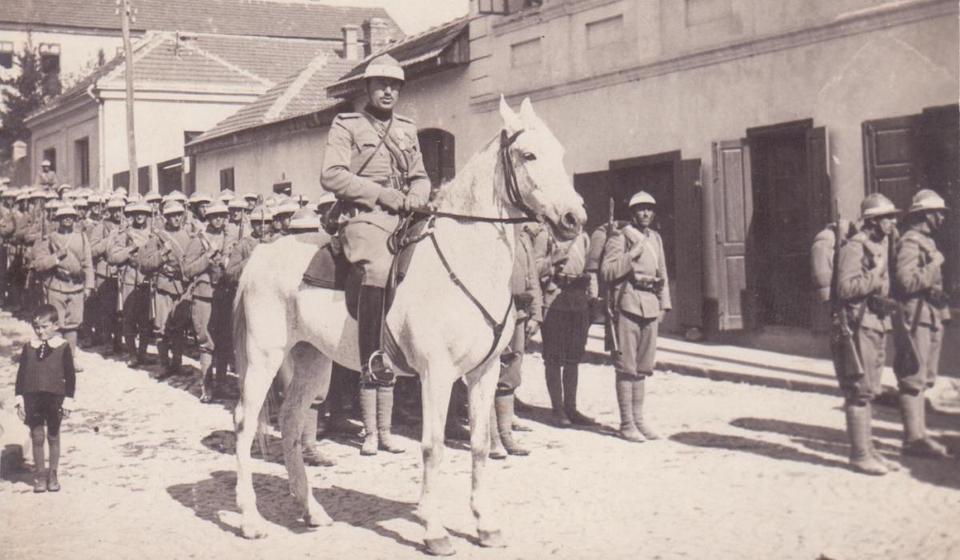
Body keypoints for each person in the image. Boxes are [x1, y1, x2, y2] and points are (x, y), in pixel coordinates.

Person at [320, 53, 430, 455]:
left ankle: (392, 417)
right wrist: (384, 195)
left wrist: (417, 195)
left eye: (395, 85)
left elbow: (420, 176)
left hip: (405, 216)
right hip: (365, 218)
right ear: (367, 88)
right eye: (381, 84)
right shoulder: (347, 124)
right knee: (379, 269)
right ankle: (371, 367)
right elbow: (332, 175)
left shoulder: (407, 129)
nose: (388, 91)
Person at [835, 193, 901, 475]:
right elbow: (845, 289)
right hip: (858, 326)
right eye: (888, 218)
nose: (893, 222)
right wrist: (875, 275)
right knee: (858, 391)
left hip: (875, 323)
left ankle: (869, 451)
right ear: (873, 221)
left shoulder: (879, 244)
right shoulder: (855, 247)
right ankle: (859, 455)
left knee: (870, 391)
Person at [601, 191, 670, 442]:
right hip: (627, 303)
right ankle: (626, 423)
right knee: (626, 367)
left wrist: (664, 305)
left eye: (649, 209)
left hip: (650, 303)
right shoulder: (620, 237)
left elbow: (662, 272)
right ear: (632, 213)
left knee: (643, 367)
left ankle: (639, 420)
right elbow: (607, 271)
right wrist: (631, 255)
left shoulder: (656, 238)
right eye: (640, 209)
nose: (646, 213)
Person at [893, 189, 952, 459]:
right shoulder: (910, 242)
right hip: (916, 315)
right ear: (926, 215)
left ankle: (919, 436)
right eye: (938, 212)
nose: (942, 217)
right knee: (912, 377)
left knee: (924, 377)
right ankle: (912, 439)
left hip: (930, 314)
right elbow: (906, 282)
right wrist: (933, 265)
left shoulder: (926, 241)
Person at [490, 224, 542, 458]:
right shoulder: (491, 231)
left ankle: (506, 435)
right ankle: (491, 438)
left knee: (510, 373)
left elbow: (532, 279)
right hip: (492, 313)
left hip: (518, 313)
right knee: (487, 374)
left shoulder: (522, 237)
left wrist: (536, 313)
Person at [15, 304, 77, 492]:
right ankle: (40, 475)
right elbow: (21, 374)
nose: (40, 331)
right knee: (37, 436)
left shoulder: (63, 347)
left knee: (53, 435)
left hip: (54, 397)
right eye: (36, 327)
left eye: (44, 326)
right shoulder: (29, 347)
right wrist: (19, 398)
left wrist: (68, 400)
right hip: (32, 397)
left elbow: (70, 376)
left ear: (55, 326)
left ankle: (53, 474)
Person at [540, 222, 596, 427]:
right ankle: (557, 409)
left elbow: (590, 269)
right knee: (553, 357)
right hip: (554, 298)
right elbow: (536, 267)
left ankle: (571, 408)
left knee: (574, 357)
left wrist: (593, 298)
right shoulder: (547, 234)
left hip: (578, 301)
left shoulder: (583, 237)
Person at [32, 205, 94, 364]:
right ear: (58, 219)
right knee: (56, 325)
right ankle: (56, 360)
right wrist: (56, 257)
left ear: (75, 219)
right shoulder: (50, 238)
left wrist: (88, 286)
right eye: (64, 216)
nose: (67, 218)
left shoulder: (81, 237)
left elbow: (88, 263)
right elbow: (39, 264)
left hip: (76, 287)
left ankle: (70, 360)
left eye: (70, 216)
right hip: (56, 287)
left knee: (73, 325)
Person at [140, 201, 192, 377]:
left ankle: (177, 363)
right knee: (161, 328)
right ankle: (164, 364)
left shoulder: (188, 236)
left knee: (179, 327)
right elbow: (145, 265)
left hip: (182, 287)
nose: (176, 218)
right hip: (163, 287)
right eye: (172, 215)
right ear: (166, 218)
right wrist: (162, 254)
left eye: (179, 215)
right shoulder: (157, 238)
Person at [183, 202, 229, 402]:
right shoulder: (198, 240)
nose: (218, 219)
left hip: (225, 295)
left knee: (224, 342)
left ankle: (222, 384)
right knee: (206, 343)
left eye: (221, 215)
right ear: (208, 218)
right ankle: (207, 386)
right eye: (214, 216)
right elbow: (187, 270)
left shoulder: (229, 238)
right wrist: (207, 257)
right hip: (204, 296)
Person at [107, 200, 154, 367]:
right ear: (132, 215)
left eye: (143, 213)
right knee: (129, 318)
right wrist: (129, 251)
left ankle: (143, 353)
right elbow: (112, 257)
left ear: (147, 215)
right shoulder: (124, 234)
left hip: (148, 280)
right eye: (136, 213)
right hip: (129, 280)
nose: (140, 216)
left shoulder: (153, 233)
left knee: (146, 320)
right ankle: (132, 354)